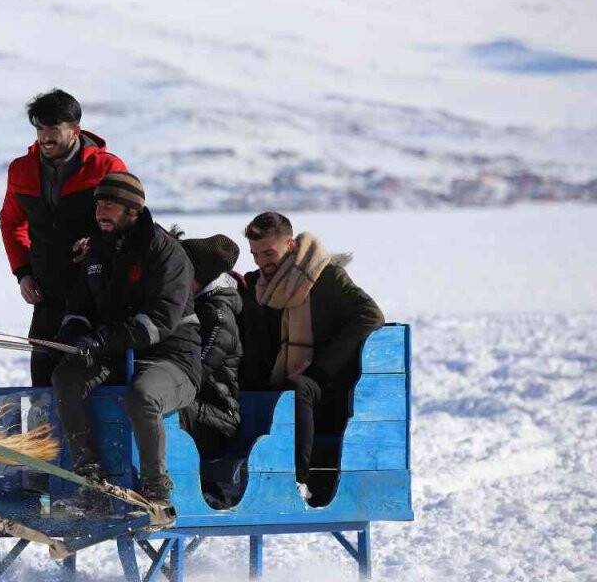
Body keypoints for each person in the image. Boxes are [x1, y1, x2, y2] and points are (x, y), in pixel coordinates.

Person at [52, 172, 199, 512]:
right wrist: (75, 333)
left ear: (132, 210)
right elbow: (80, 307)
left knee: (143, 395)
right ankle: (89, 478)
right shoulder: (96, 251)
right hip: (117, 354)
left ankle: (156, 490)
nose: (101, 210)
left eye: (110, 205)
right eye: (99, 203)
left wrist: (104, 338)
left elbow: (160, 321)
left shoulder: (166, 253)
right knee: (66, 377)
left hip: (172, 357)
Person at [238, 211, 384, 503]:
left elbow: (371, 315)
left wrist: (320, 369)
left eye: (269, 252)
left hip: (324, 385)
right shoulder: (257, 284)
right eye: (255, 254)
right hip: (277, 376)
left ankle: (298, 480)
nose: (262, 262)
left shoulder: (325, 275)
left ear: (291, 245)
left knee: (298, 389)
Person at [0, 89, 126, 386]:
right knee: (43, 378)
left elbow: (127, 222)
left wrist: (97, 245)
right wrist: (23, 273)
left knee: (94, 381)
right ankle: (48, 434)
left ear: (75, 130)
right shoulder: (21, 170)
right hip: (48, 293)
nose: (45, 137)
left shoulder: (107, 167)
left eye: (53, 128)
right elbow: (10, 223)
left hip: (98, 292)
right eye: (40, 128)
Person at [179, 235, 244, 508]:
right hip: (198, 408)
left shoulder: (218, 316)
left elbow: (195, 373)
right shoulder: (194, 306)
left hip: (218, 417)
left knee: (158, 406)